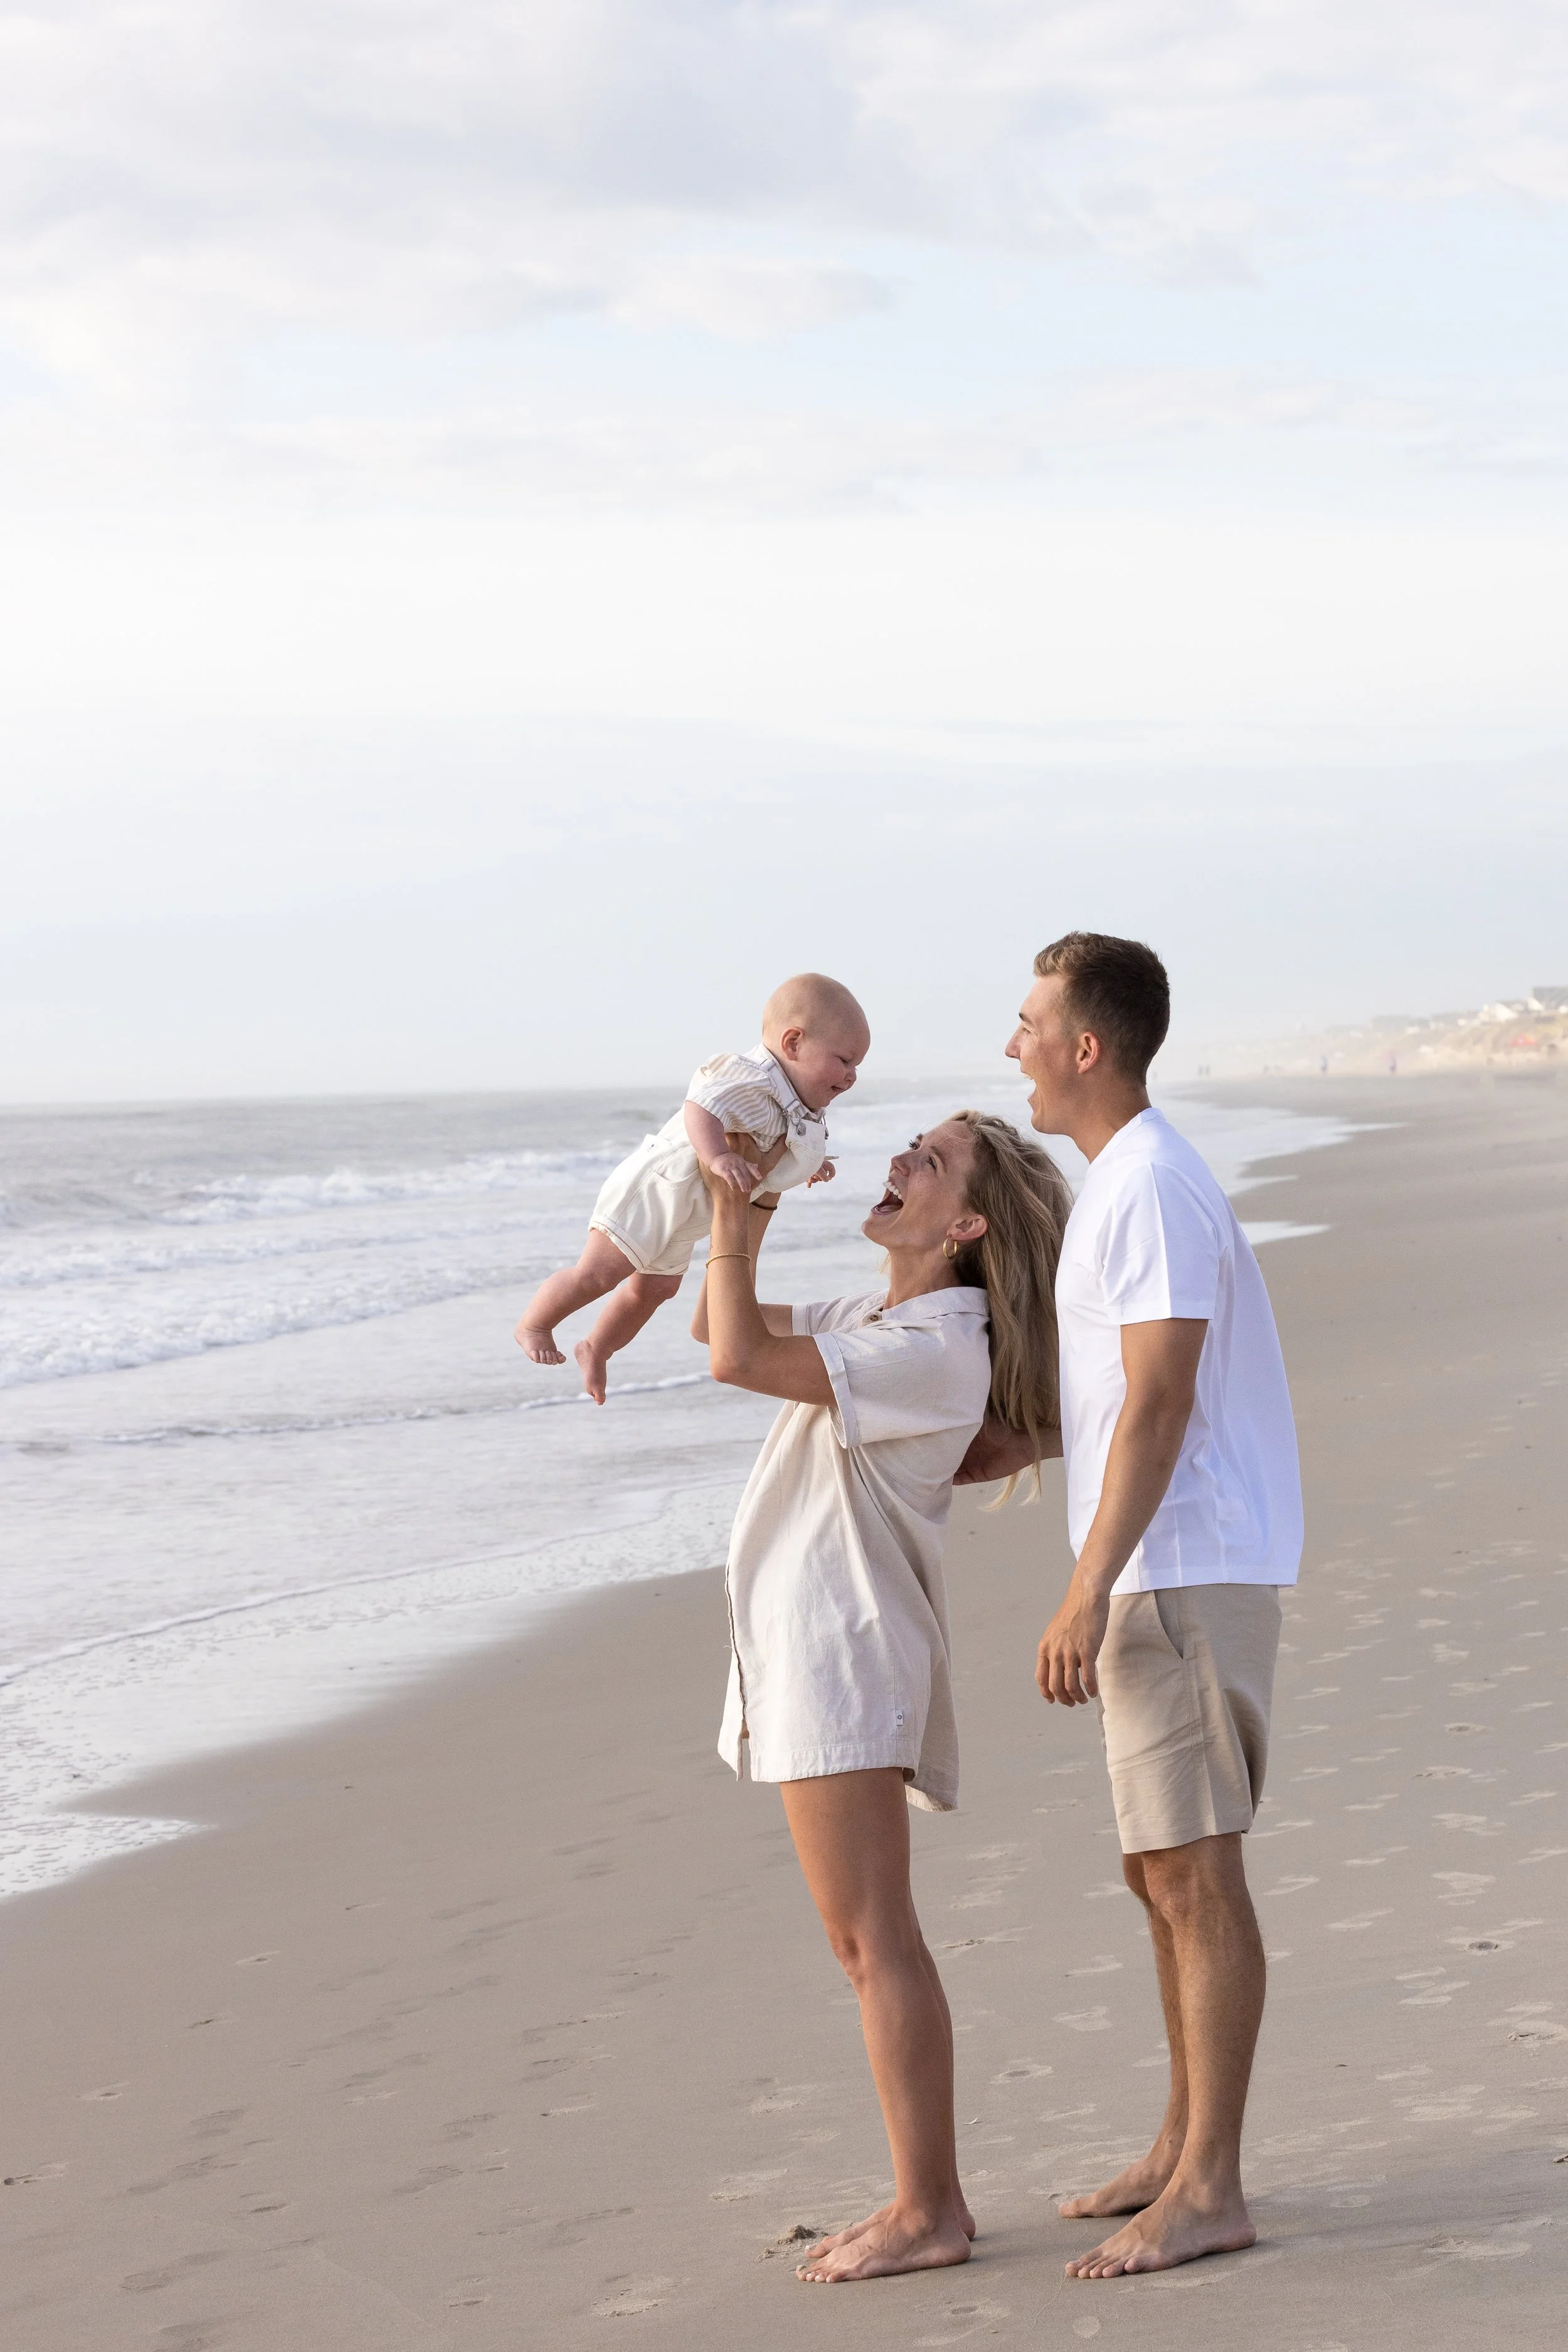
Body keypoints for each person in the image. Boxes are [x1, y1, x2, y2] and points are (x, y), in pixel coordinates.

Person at [961, 931, 1303, 2281]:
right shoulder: (1126, 1187)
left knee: (1193, 1869)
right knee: (1154, 1869)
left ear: (1085, 1044)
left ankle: (1210, 2184)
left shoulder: (1149, 1185)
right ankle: (1177, 2145)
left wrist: (1081, 1587)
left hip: (1179, 1571)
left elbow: (1164, 1400)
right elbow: (1126, 1401)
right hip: (1168, 1562)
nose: (1014, 1046)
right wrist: (1028, 1447)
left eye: (1028, 1022)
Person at [693, 1110, 1071, 2283]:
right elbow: (730, 1321)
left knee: (874, 1942)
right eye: (909, 1144)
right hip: (819, 1643)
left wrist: (727, 1206)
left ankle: (931, 2208)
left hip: (843, 1648)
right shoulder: (885, 1318)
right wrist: (750, 1192)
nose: (899, 1161)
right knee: (862, 1939)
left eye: (930, 1161)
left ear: (961, 1225)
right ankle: (929, 2197)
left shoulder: (932, 1348)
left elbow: (735, 1361)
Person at [514, 973, 867, 1401]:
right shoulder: (752, 1079)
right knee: (600, 1273)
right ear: (792, 1043)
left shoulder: (797, 1102)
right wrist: (718, 1156)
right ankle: (535, 1324)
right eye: (844, 1061)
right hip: (660, 1187)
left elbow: (777, 1148)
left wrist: (811, 1166)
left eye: (857, 1067)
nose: (851, 1077)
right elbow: (701, 1106)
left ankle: (597, 1347)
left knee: (658, 1288)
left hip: (693, 1209)